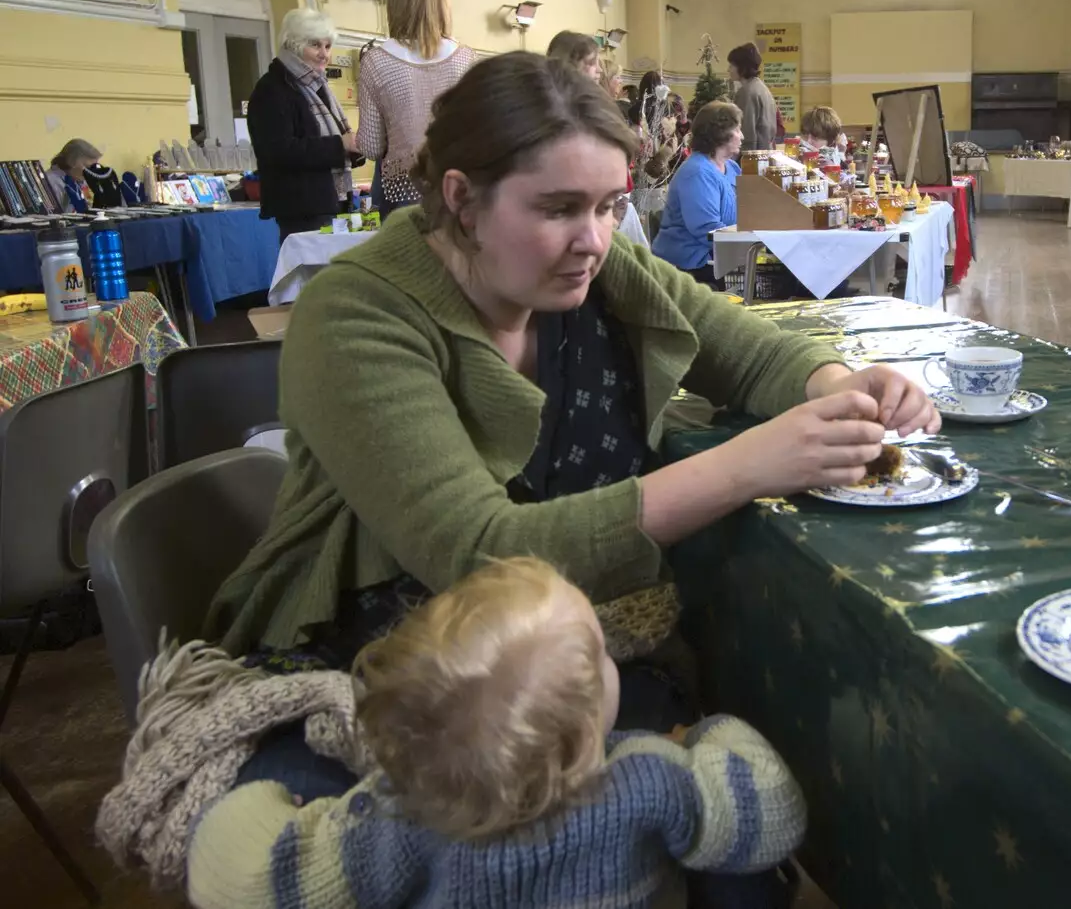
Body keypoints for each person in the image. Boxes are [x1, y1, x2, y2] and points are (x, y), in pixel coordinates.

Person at [203, 52, 937, 756]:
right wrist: (744, 466)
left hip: (579, 630)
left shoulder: (593, 261)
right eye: (558, 208)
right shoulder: (356, 314)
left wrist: (840, 383)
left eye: (612, 205)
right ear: (461, 199)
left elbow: (740, 346)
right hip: (399, 656)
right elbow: (476, 554)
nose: (594, 239)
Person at [187, 558, 805, 909]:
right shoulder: (648, 775)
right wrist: (708, 737)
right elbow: (773, 806)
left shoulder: (392, 818)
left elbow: (238, 883)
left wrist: (251, 804)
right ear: (586, 733)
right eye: (601, 654)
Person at [356, 0, 475, 217]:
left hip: (402, 194)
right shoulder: (465, 59)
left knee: (406, 257)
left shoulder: (376, 61)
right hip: (455, 191)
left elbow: (370, 146)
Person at [248, 9, 363, 243]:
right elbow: (278, 152)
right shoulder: (272, 89)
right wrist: (339, 144)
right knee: (311, 278)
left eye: (328, 46)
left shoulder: (318, 86)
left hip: (330, 203)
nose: (324, 54)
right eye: (315, 45)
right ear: (294, 45)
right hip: (301, 209)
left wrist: (355, 148)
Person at [651, 102, 743, 286]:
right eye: (737, 130)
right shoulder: (698, 173)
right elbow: (708, 232)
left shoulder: (732, 167)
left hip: (720, 257)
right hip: (691, 266)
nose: (742, 136)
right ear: (719, 134)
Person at [727, 42, 776, 152]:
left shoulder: (746, 92)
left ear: (742, 67)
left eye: (732, 65)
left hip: (752, 158)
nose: (728, 70)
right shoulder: (762, 88)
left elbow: (746, 133)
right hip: (765, 153)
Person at [43, 138, 102, 211]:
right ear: (71, 162)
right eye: (88, 167)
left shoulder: (80, 179)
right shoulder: (50, 182)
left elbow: (89, 206)